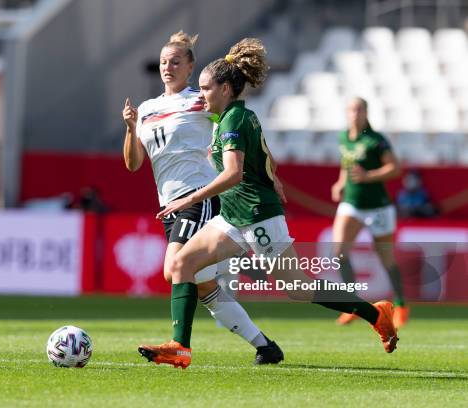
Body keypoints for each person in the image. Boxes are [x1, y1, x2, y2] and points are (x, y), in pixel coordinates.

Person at [138, 38, 399, 369]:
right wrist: (270, 173)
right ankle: (180, 347)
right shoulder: (227, 117)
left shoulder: (233, 120)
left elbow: (232, 174)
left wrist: (189, 199)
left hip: (257, 216)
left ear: (226, 88)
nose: (200, 95)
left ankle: (375, 313)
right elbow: (258, 155)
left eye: (206, 88)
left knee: (298, 288)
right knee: (181, 265)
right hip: (233, 215)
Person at [123, 31, 283, 365]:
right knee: (203, 286)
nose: (168, 67)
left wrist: (271, 174)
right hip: (169, 204)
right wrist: (130, 127)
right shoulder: (149, 109)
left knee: (175, 270)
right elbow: (134, 164)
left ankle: (180, 345)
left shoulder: (201, 101)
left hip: (198, 196)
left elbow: (239, 129)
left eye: (176, 62)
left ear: (190, 67)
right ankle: (265, 346)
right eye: (164, 61)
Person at [331, 97, 408, 328]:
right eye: (351, 109)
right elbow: (347, 164)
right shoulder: (343, 137)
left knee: (386, 257)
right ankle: (354, 305)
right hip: (352, 204)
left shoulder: (376, 140)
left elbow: (395, 169)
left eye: (359, 109)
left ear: (366, 112)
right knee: (339, 253)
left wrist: (368, 176)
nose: (355, 113)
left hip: (378, 207)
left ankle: (401, 305)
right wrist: (341, 182)